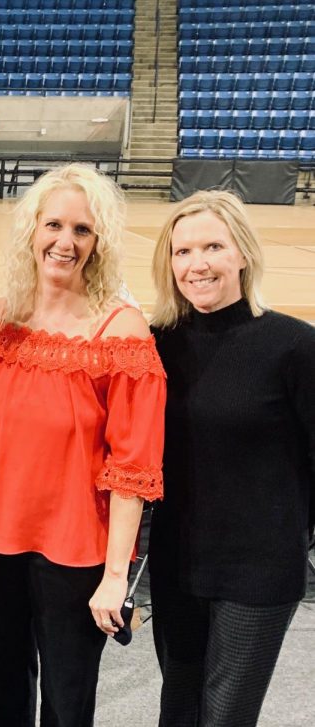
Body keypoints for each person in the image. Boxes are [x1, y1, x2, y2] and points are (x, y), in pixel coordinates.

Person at [0, 164, 166, 726]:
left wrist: (116, 575)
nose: (64, 242)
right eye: (54, 225)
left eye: (82, 230)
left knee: (68, 703)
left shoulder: (120, 331)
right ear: (31, 230)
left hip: (75, 547)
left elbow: (133, 467)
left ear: (99, 244)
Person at [148, 190, 315, 727]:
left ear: (242, 252)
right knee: (178, 706)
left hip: (259, 569)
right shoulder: (155, 344)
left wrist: (294, 536)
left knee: (224, 716)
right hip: (177, 562)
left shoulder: (294, 346)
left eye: (212, 247)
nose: (196, 265)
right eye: (182, 252)